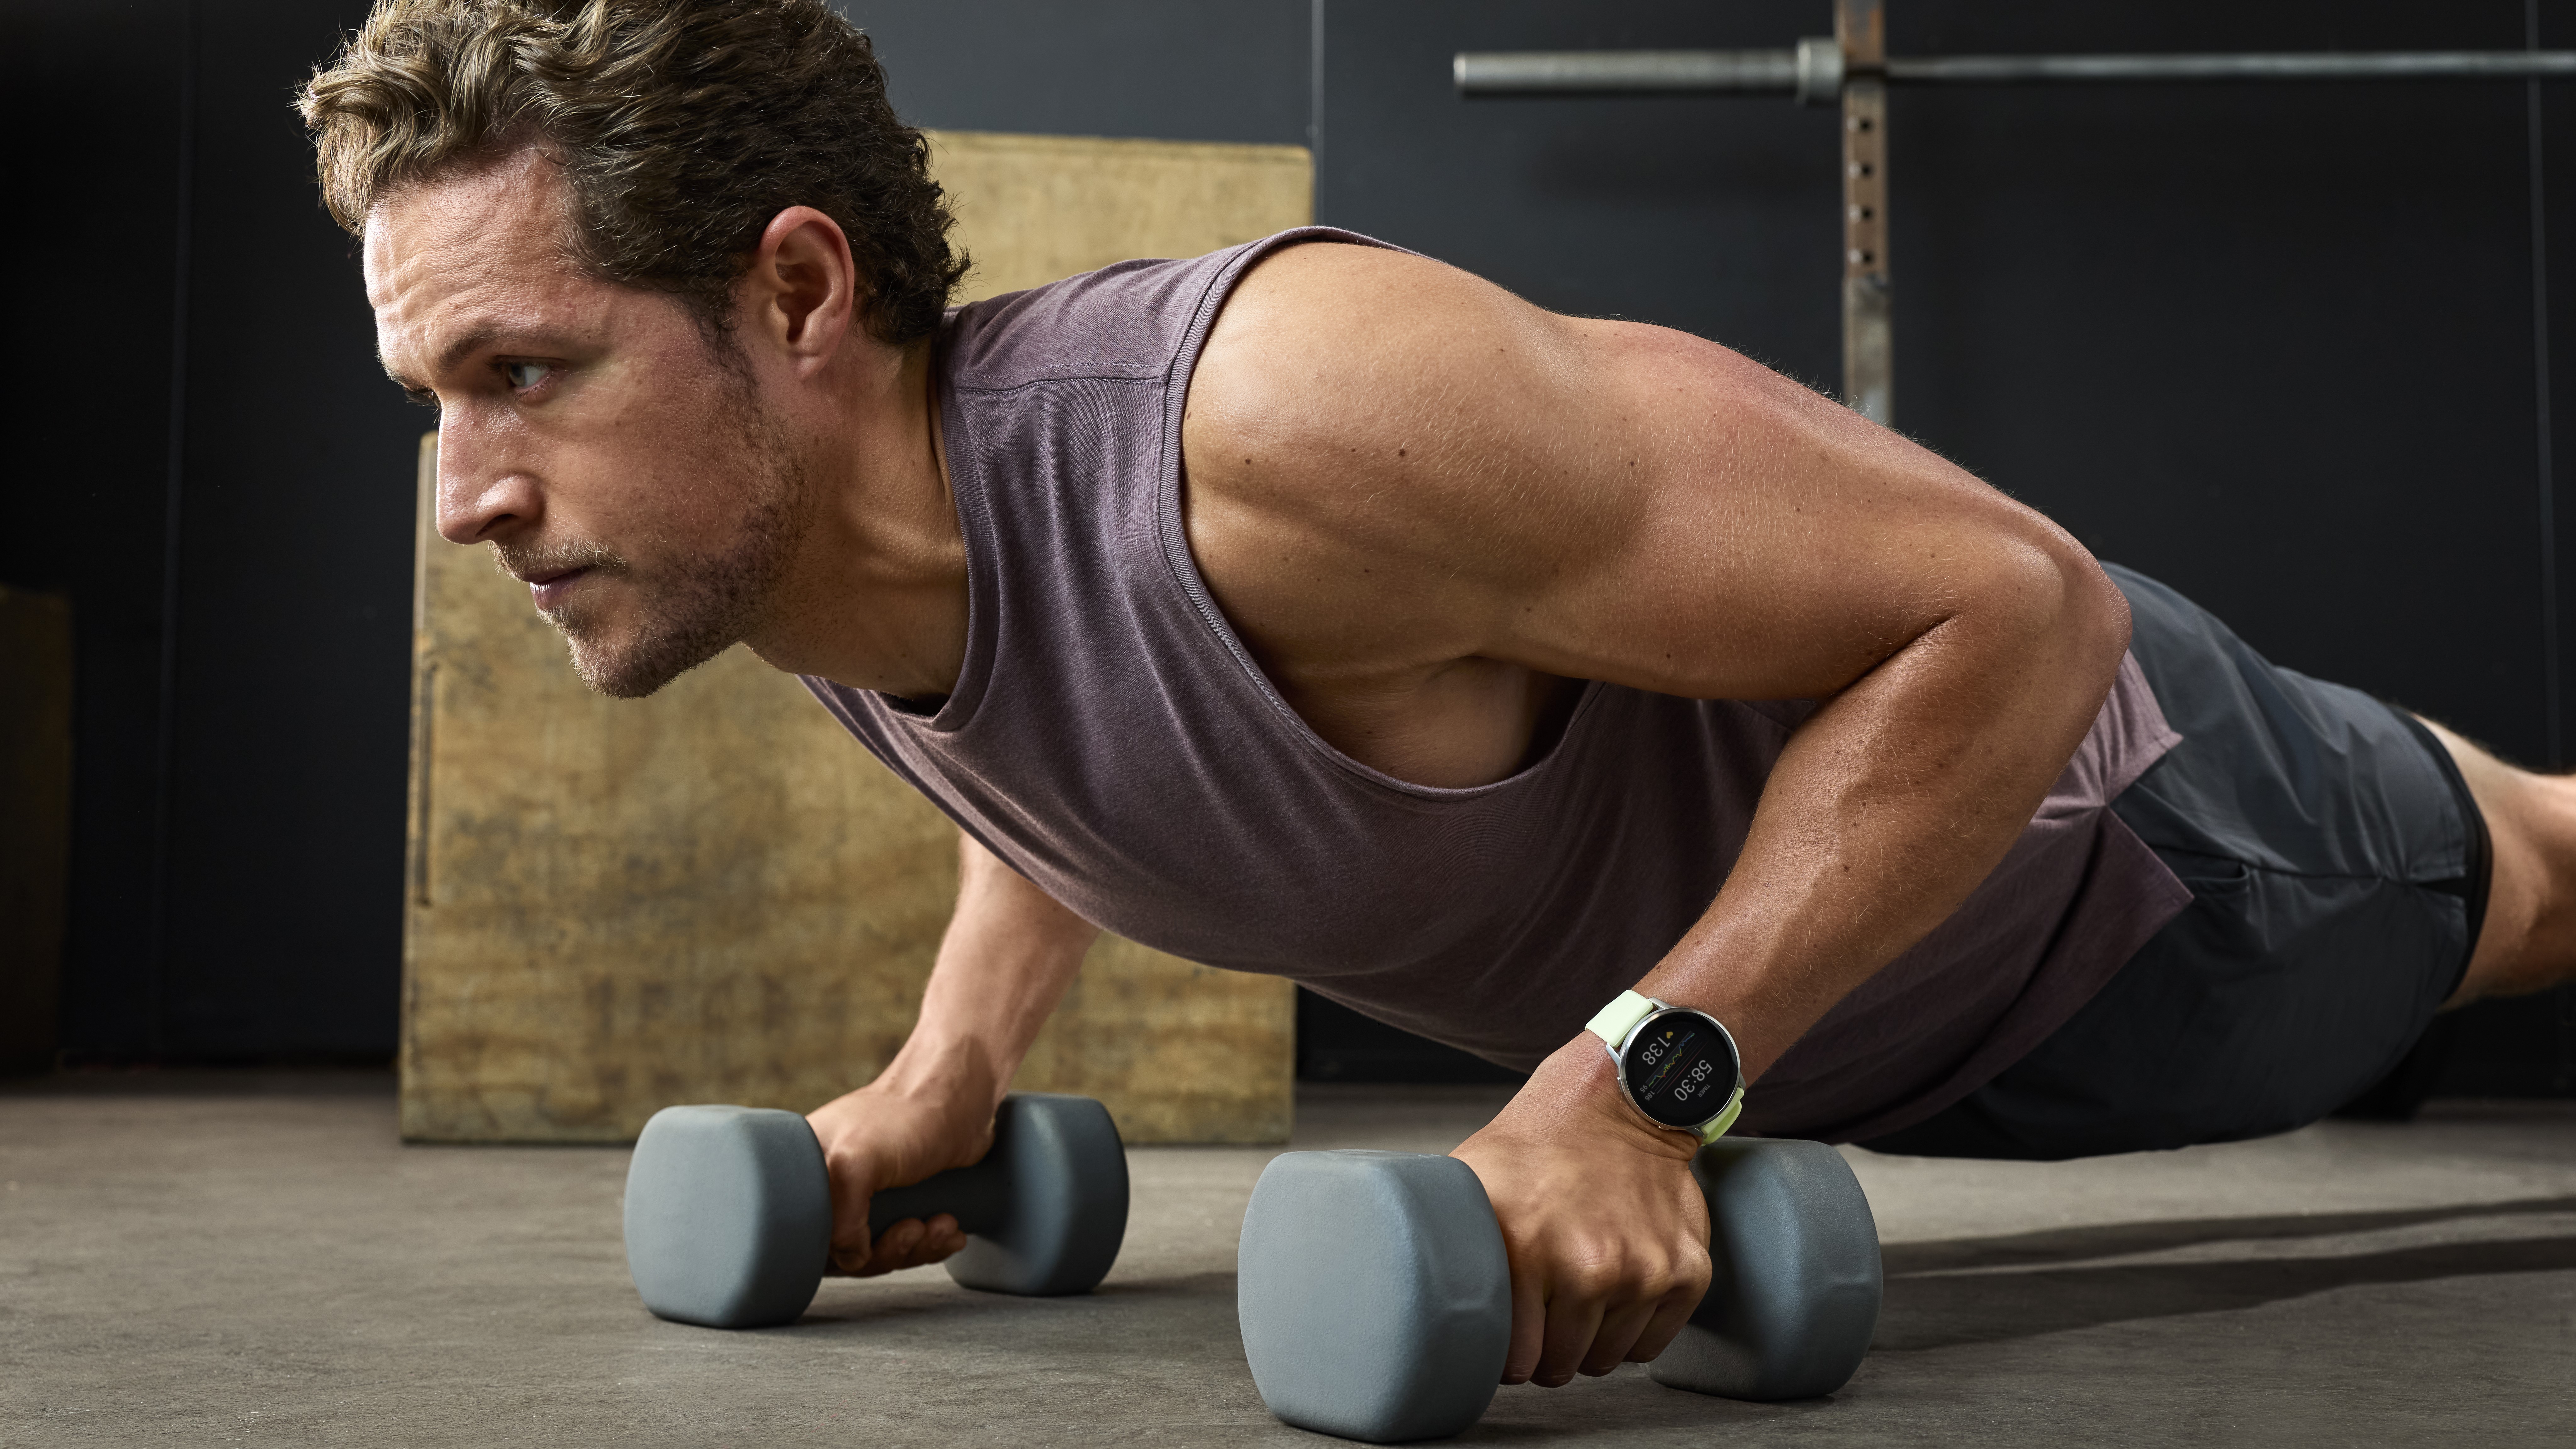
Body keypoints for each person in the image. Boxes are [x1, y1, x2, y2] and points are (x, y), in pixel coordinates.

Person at [307, 0, 2575, 1391]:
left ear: (796, 290)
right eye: (435, 399)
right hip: (1889, 1043)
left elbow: (2023, 606)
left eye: (524, 373)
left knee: (2546, 875)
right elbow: (1080, 754)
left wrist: (1638, 1087)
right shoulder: (811, 563)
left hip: (2145, 879)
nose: (467, 496)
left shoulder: (1284, 417)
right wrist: (946, 1075)